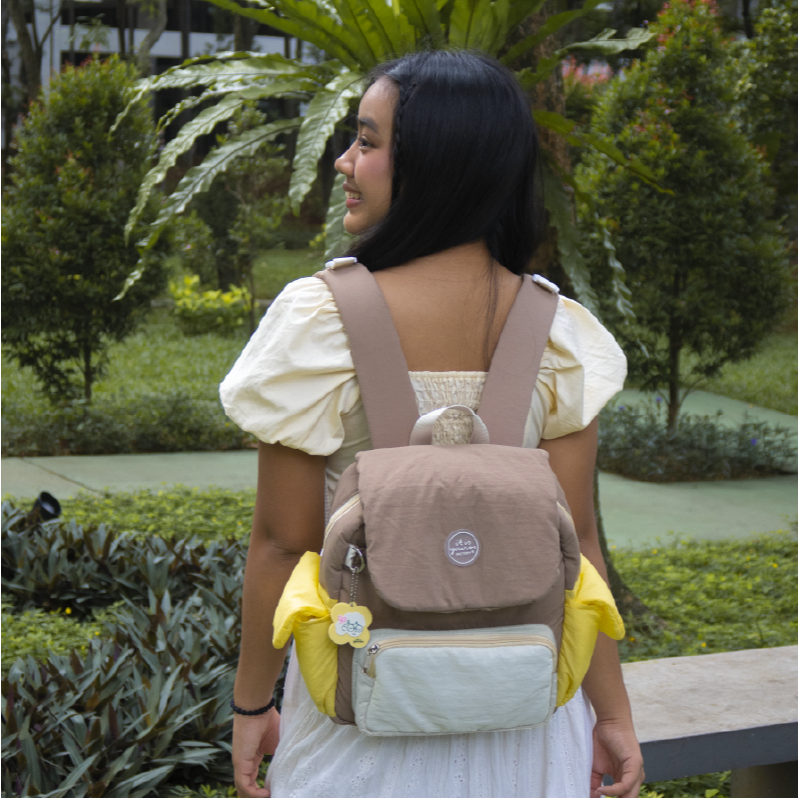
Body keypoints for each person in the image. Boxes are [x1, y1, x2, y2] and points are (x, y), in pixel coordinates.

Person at [220, 50, 645, 798]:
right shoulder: (556, 332)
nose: (345, 162)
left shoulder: (320, 322)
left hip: (363, 713)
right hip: (527, 722)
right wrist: (612, 713)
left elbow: (284, 543)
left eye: (367, 141)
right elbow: (577, 547)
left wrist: (252, 703)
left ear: (436, 164)